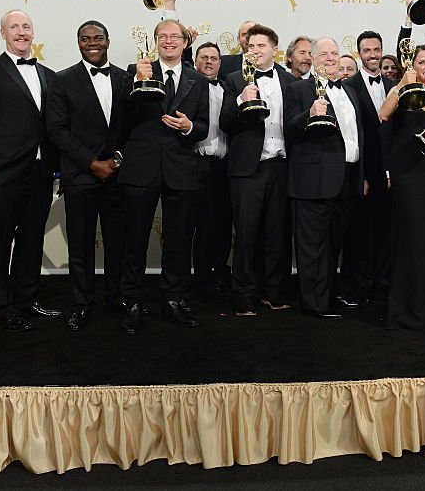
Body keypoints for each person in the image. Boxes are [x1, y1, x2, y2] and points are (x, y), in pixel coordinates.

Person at [0, 9, 60, 332]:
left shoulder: (48, 75)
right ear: (3, 33)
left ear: (33, 33)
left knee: (32, 239)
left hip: (41, 171)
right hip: (5, 171)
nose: (21, 32)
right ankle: (0, 306)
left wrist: (56, 170)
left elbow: (52, 127)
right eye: (14, 27)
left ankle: (26, 300)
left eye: (26, 27)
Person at [118, 17, 210, 335]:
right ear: (156, 41)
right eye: (163, 36)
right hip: (141, 167)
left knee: (179, 240)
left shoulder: (198, 81)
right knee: (134, 240)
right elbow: (123, 118)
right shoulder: (137, 70)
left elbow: (204, 127)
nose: (169, 41)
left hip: (181, 169)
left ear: (186, 43)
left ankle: (174, 300)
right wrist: (137, 84)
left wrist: (188, 127)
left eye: (175, 36)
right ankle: (130, 302)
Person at [46, 20, 131, 331]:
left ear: (108, 41)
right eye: (85, 38)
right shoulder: (62, 80)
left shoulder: (126, 79)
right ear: (78, 43)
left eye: (97, 38)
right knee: (80, 244)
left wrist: (117, 159)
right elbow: (57, 131)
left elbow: (133, 127)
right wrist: (92, 163)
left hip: (118, 175)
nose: (92, 43)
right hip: (80, 175)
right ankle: (82, 303)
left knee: (116, 241)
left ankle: (114, 296)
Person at [285, 38, 366, 318]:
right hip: (313, 181)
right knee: (313, 246)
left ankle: (327, 295)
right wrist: (309, 114)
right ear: (312, 58)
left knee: (334, 244)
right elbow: (288, 128)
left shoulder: (350, 92)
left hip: (347, 178)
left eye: (335, 53)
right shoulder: (298, 88)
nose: (330, 58)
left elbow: (356, 137)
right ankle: (314, 303)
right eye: (324, 54)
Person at [220, 24, 297, 316]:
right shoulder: (234, 79)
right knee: (246, 235)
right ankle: (242, 295)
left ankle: (272, 292)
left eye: (261, 46)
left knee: (277, 234)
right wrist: (242, 99)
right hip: (247, 170)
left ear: (274, 50)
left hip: (281, 166)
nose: (255, 51)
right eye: (251, 47)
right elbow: (225, 123)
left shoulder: (291, 80)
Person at [379, 45, 425, 330]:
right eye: (421, 61)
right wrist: (403, 83)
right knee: (407, 236)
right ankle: (403, 307)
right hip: (405, 175)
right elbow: (383, 115)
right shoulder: (401, 92)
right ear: (411, 65)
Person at [343, 30, 395, 303]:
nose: (373, 55)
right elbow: (352, 134)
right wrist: (361, 174)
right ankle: (360, 282)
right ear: (359, 53)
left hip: (388, 171)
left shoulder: (394, 86)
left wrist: (391, 170)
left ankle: (382, 278)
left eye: (377, 50)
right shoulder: (348, 86)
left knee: (385, 227)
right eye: (367, 51)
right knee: (360, 229)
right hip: (362, 170)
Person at [191, 42, 232, 301]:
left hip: (225, 166)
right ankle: (201, 279)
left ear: (220, 63)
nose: (208, 62)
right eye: (203, 57)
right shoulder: (189, 86)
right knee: (199, 227)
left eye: (213, 58)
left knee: (223, 225)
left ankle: (219, 274)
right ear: (194, 61)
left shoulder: (229, 88)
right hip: (196, 165)